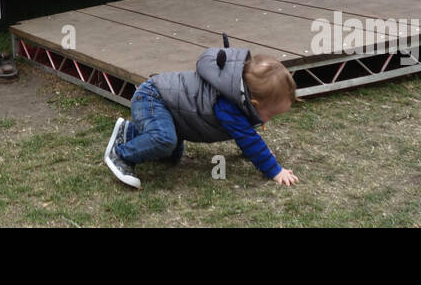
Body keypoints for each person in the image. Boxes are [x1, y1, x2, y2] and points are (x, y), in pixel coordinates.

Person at [104, 45, 300, 189]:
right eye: (271, 114)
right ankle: (121, 155)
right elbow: (247, 138)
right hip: (153, 98)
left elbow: (245, 135)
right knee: (164, 140)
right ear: (254, 103)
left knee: (170, 156)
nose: (270, 119)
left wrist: (257, 154)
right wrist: (274, 169)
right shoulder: (228, 104)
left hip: (173, 112)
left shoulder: (240, 99)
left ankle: (129, 132)